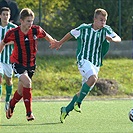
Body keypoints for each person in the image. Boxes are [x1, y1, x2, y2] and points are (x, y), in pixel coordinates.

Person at [50, 8, 121, 123]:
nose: (103, 23)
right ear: (94, 19)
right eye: (101, 20)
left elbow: (119, 38)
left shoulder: (106, 30)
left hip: (95, 64)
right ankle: (79, 103)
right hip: (83, 60)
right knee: (93, 78)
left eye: (105, 21)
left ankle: (66, 109)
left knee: (83, 90)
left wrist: (112, 39)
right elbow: (71, 33)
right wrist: (59, 43)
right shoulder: (84, 28)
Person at [0, 8, 55, 121]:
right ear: (21, 21)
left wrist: (53, 42)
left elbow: (45, 35)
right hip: (17, 63)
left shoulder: (35, 30)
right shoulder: (13, 32)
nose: (31, 24)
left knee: (21, 90)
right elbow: (3, 43)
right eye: (28, 21)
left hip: (31, 64)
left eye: (32, 21)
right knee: (27, 82)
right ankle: (29, 113)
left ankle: (11, 105)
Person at [0, 7, 17, 110]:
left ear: (9, 16)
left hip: (8, 59)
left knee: (9, 81)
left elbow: (17, 41)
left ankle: (7, 100)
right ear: (0, 16)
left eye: (7, 14)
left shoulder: (13, 28)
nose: (5, 16)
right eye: (4, 14)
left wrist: (5, 42)